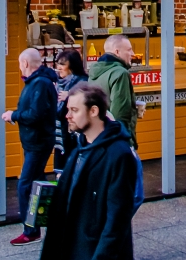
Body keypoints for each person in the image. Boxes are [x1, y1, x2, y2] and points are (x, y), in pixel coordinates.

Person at [39, 83, 138, 260]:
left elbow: (117, 219)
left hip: (93, 250)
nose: (67, 116)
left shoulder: (119, 155)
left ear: (93, 111)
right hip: (72, 245)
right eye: (68, 109)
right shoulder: (80, 149)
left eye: (74, 110)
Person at [2, 48, 58, 245]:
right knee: (38, 181)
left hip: (38, 142)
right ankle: (58, 220)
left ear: (25, 63)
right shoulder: (39, 83)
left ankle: (31, 230)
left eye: (19, 63)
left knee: (24, 185)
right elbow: (35, 111)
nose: (19, 67)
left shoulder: (40, 84)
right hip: (35, 140)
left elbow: (35, 114)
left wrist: (13, 115)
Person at [89, 34, 137, 144]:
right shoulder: (120, 73)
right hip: (116, 138)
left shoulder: (94, 71)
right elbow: (120, 113)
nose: (132, 54)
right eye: (129, 50)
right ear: (117, 52)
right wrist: (125, 142)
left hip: (98, 135)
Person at [52, 48, 87, 170]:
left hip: (73, 136)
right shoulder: (58, 83)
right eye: (58, 64)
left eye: (62, 64)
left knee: (71, 169)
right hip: (61, 135)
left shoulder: (82, 82)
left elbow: (86, 104)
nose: (59, 67)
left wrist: (70, 95)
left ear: (72, 66)